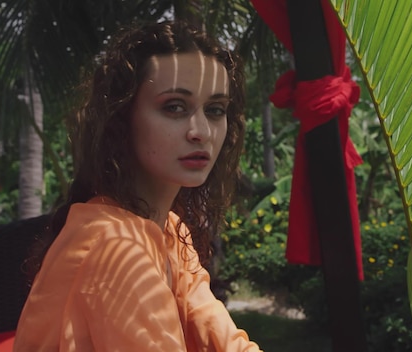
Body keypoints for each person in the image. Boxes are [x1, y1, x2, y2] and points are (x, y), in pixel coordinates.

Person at [13, 21, 261, 352]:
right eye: (174, 107)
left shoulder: (169, 230)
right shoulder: (118, 249)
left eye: (215, 110)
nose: (201, 131)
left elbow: (225, 340)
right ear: (122, 118)